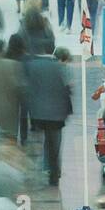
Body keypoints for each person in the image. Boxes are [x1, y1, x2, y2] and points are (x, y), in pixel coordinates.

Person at [23, 49, 73, 188]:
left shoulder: (31, 65)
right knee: (55, 144)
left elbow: (28, 88)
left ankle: (36, 172)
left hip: (38, 113)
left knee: (38, 143)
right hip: (57, 114)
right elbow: (67, 89)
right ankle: (54, 174)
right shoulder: (62, 68)